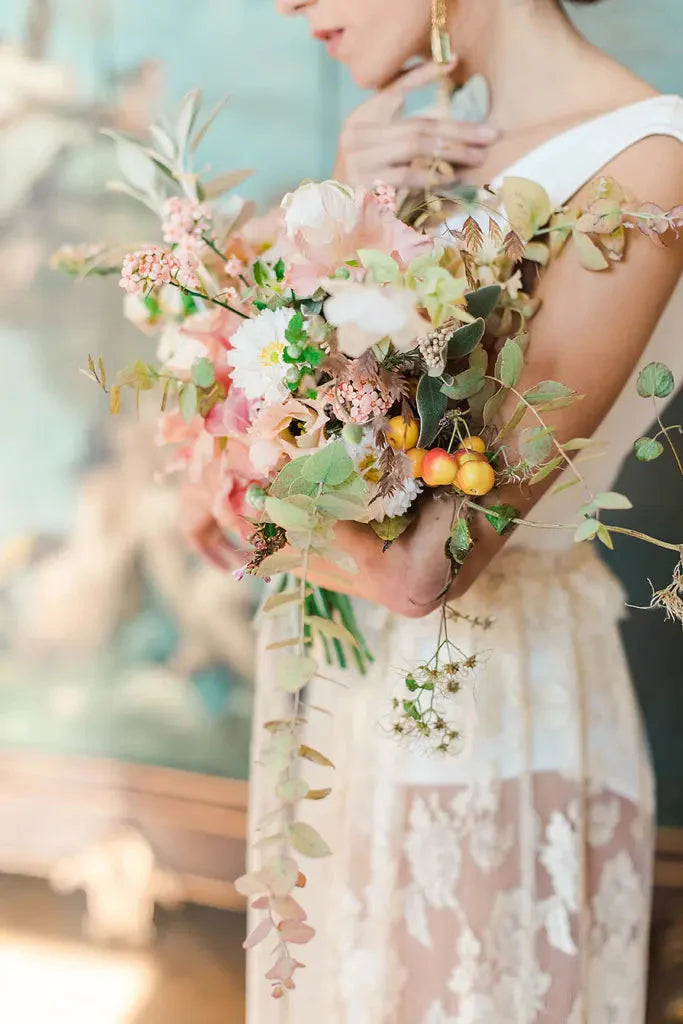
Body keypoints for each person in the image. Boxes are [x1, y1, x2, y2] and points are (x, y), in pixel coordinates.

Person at [246, 1, 683, 1020]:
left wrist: (252, 515)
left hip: (489, 710)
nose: (288, 1)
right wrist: (342, 210)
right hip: (346, 699)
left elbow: (421, 568)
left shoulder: (646, 165)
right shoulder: (419, 158)